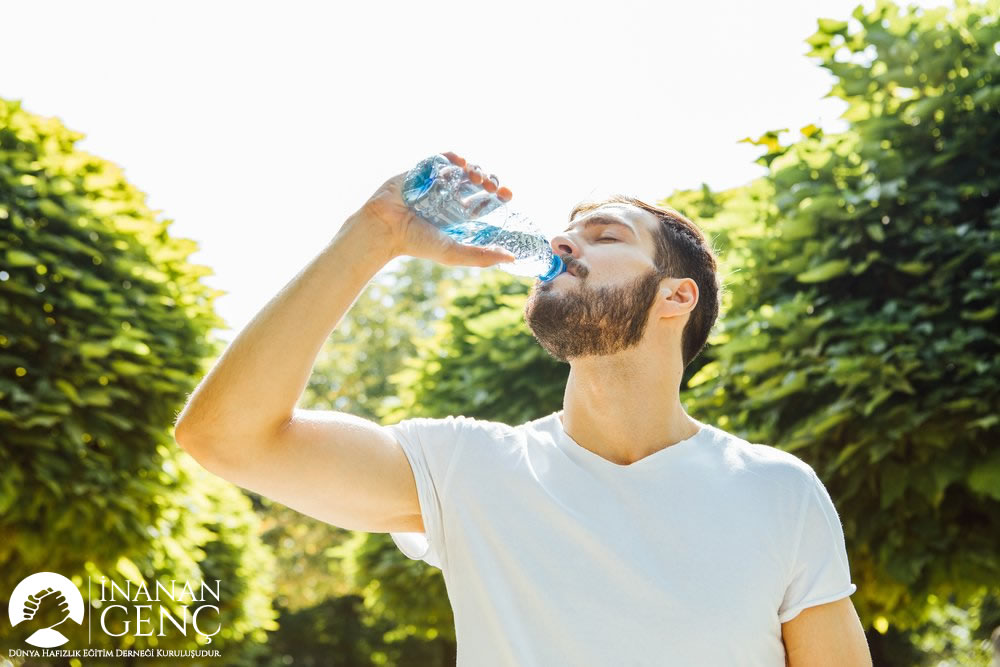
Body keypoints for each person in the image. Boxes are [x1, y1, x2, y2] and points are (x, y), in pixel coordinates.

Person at [174, 151, 872, 666]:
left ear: (675, 297)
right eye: (567, 233)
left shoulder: (777, 490)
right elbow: (223, 436)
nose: (564, 242)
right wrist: (375, 232)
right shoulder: (468, 468)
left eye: (605, 237)